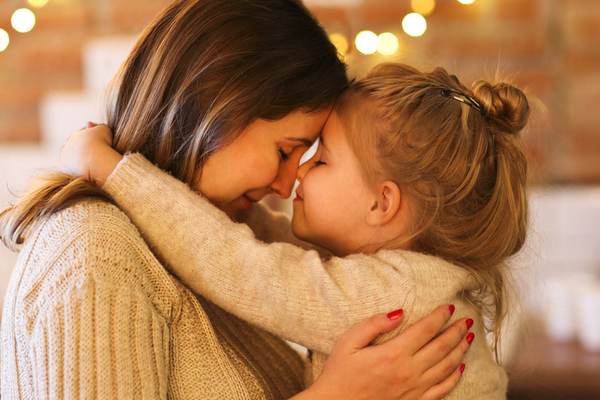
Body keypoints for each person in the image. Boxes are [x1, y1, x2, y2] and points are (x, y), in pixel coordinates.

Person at [0, 0, 470, 399]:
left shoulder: (185, 246)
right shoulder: (97, 257)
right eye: (286, 151)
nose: (288, 187)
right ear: (219, 101)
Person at [60, 62, 530, 399]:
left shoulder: (394, 295)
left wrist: (110, 169)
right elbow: (265, 248)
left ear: (381, 203)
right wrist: (225, 191)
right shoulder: (401, 278)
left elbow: (239, 264)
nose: (299, 174)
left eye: (320, 158)